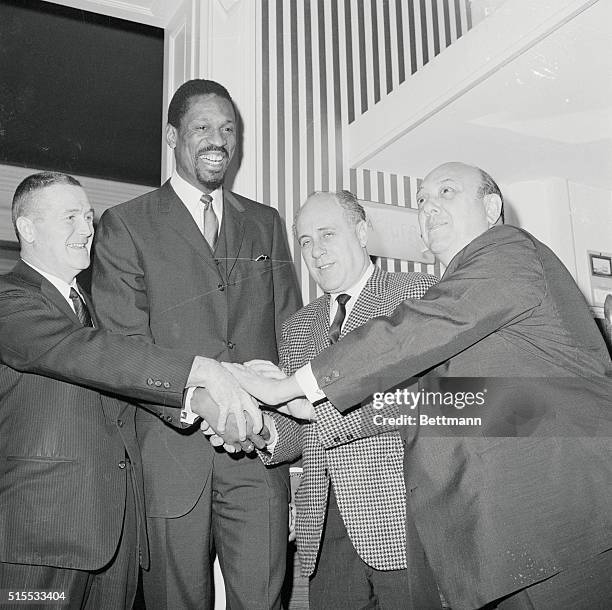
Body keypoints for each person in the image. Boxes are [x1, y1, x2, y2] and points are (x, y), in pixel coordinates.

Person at [226, 162, 612, 609]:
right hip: (496, 540)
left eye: (446, 192)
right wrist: (295, 411)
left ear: (491, 208)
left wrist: (295, 385)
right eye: (422, 199)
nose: (428, 206)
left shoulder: (508, 252)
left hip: (561, 518)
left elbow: (419, 332)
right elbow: (452, 403)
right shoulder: (456, 300)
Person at [0, 172, 263, 610]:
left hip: (116, 544)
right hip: (41, 543)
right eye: (70, 217)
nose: (87, 229)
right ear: (27, 228)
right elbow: (81, 353)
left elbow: (122, 375)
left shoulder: (93, 311)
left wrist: (203, 404)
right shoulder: (11, 300)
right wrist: (202, 370)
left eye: (88, 216)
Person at [91, 79, 302, 609]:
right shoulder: (125, 224)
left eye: (228, 129)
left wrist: (285, 435)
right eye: (203, 127)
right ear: (172, 136)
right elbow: (124, 350)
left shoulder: (266, 223)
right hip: (170, 462)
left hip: (258, 456)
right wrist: (204, 404)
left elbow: (291, 334)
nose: (218, 140)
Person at [245, 190, 440, 608]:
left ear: (362, 231)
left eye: (327, 234)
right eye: (306, 241)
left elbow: (431, 401)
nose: (316, 251)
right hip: (324, 531)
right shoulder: (298, 327)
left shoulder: (416, 294)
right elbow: (302, 431)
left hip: (405, 523)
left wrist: (312, 405)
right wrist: (260, 427)